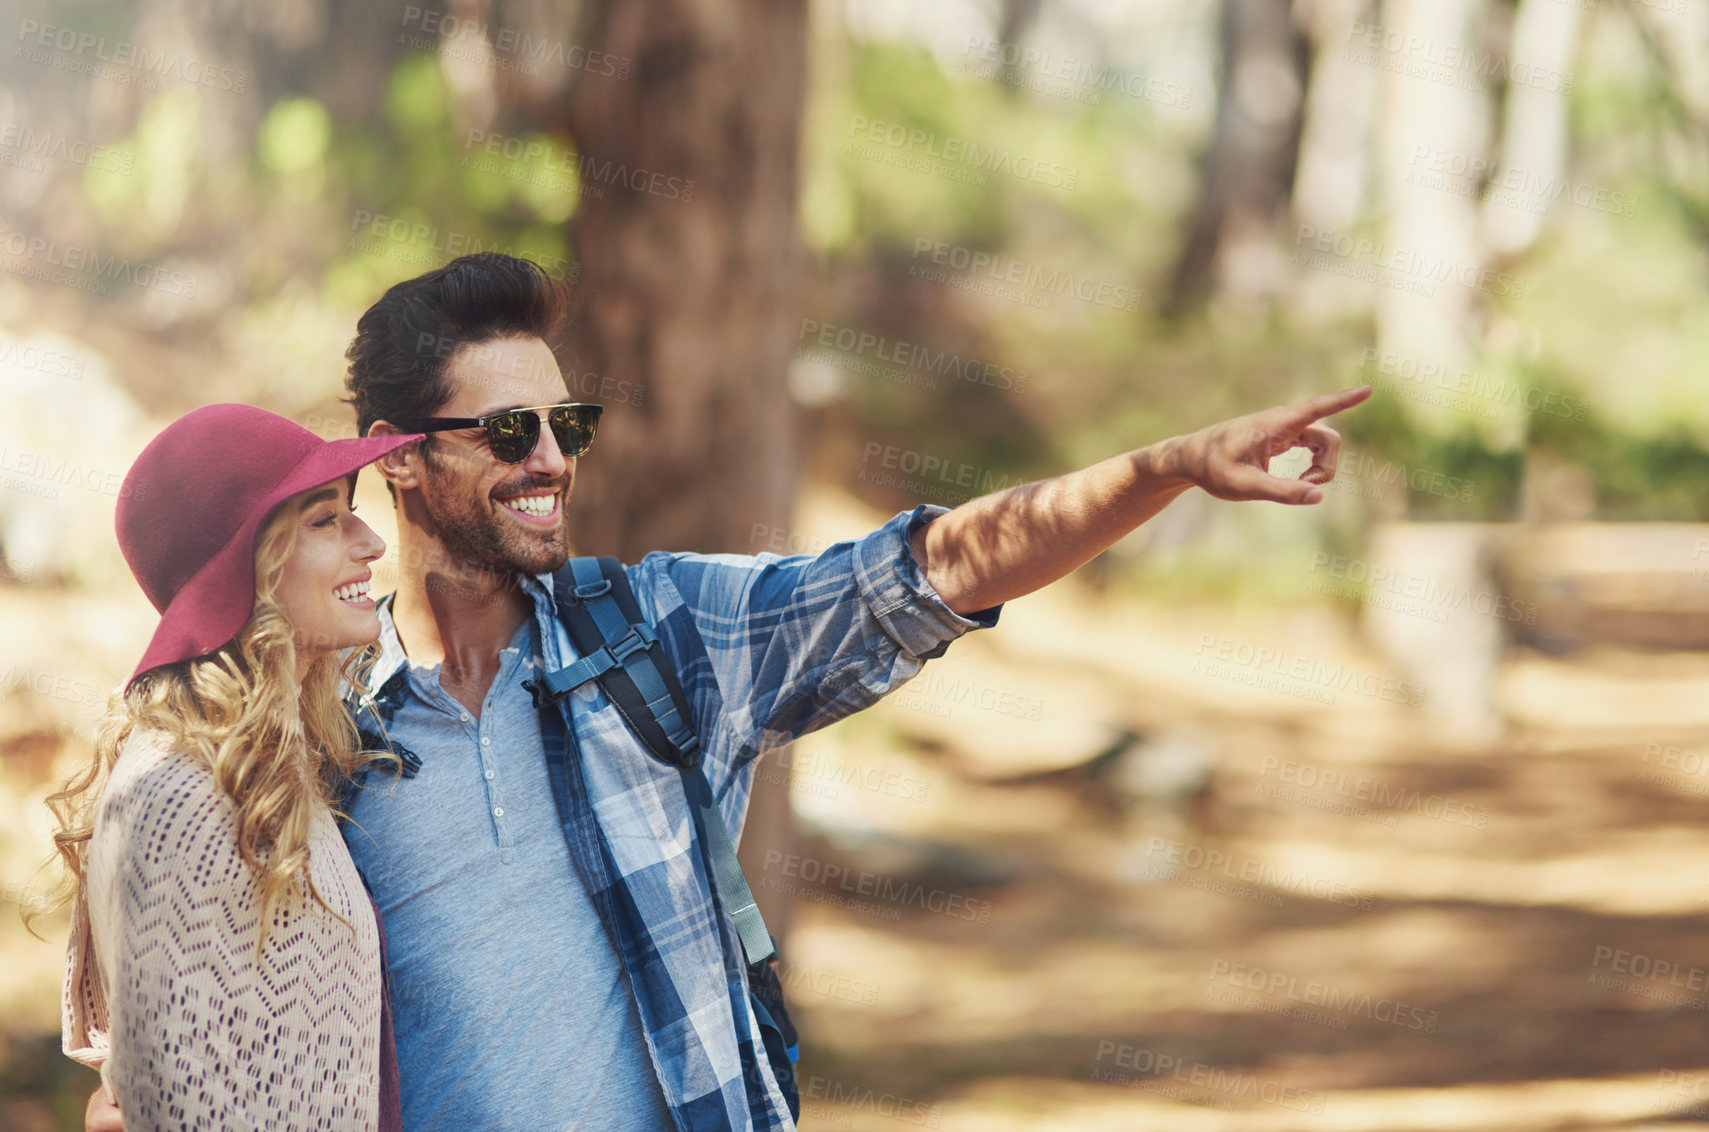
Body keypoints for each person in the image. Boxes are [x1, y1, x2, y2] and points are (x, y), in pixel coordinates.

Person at [86, 252, 1369, 1131]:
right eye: (510, 432)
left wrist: (1165, 469)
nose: (551, 462)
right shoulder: (325, 737)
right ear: (407, 463)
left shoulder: (662, 638)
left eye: (566, 424)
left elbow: (924, 568)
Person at [49, 404, 424, 1131]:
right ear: (243, 568)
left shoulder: (262, 770)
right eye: (324, 521)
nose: (371, 541)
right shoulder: (180, 793)